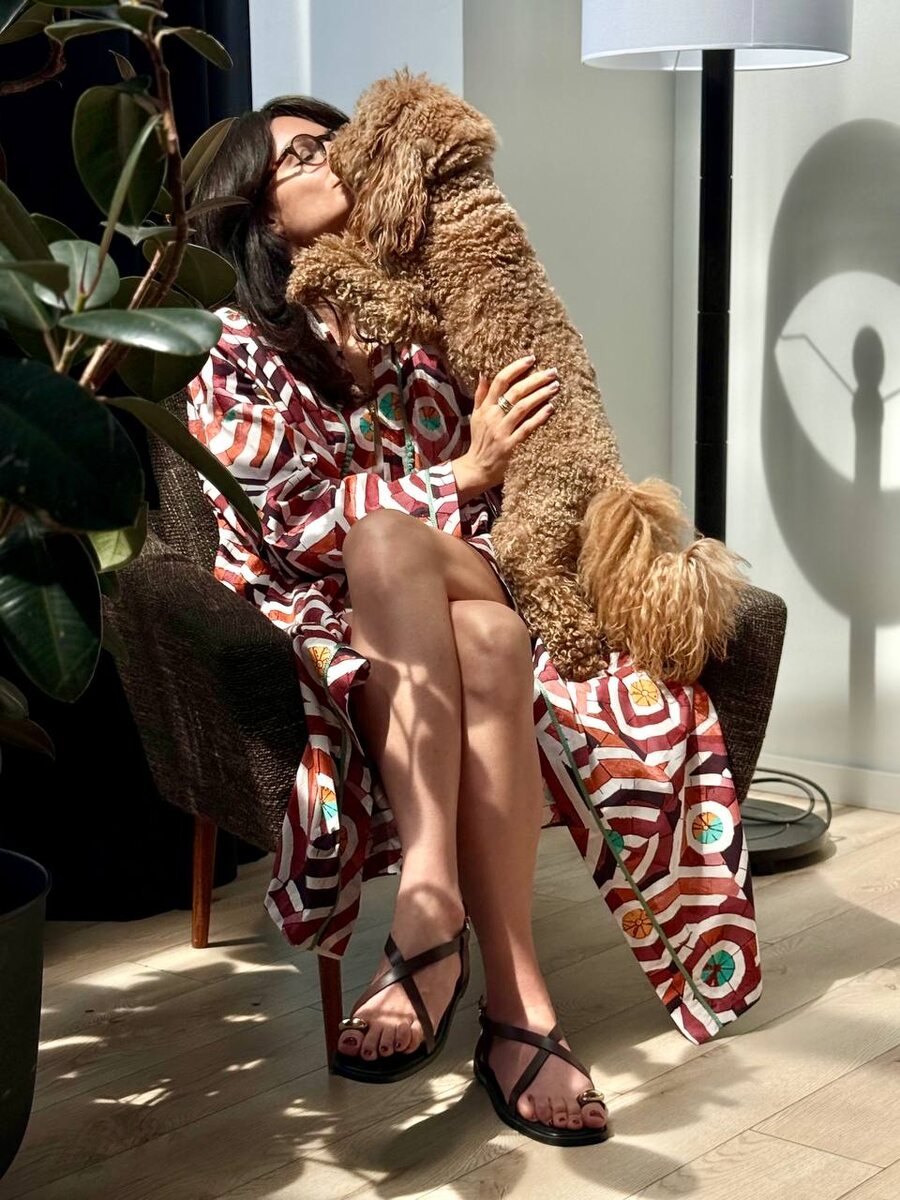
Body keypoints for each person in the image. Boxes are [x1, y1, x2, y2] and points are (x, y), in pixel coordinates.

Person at [186, 95, 761, 1147]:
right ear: (258, 210)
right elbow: (288, 522)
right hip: (329, 600)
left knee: (392, 539)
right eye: (306, 154)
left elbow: (528, 456)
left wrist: (476, 479)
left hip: (476, 559)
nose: (336, 159)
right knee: (470, 624)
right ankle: (520, 1006)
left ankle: (428, 901)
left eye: (340, 142)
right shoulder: (232, 348)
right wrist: (460, 471)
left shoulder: (430, 297)